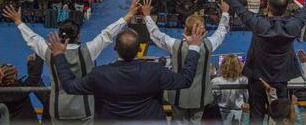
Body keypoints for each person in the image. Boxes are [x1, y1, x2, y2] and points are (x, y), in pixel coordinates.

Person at [204, 0, 306, 123]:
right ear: (286, 8)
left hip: (257, 78)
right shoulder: (294, 25)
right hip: (281, 79)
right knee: (282, 117)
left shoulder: (258, 24)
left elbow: (235, 5)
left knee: (256, 118)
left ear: (267, 8)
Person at [2, 0, 141, 124]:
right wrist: (128, 15)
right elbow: (107, 34)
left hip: (59, 109)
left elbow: (32, 39)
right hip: (84, 109)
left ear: (59, 34)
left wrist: (18, 21)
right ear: (78, 35)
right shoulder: (89, 50)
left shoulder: (48, 51)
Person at [48, 23, 206, 121]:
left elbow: (69, 86)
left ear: (114, 48)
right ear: (139, 50)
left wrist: (60, 56)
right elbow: (185, 80)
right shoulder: (155, 71)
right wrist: (194, 48)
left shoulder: (100, 74)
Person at [142, 0, 230, 124]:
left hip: (178, 95)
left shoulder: (175, 45)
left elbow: (156, 34)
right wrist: (225, 13)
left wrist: (147, 16)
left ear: (185, 30)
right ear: (203, 31)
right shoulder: (208, 45)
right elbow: (221, 32)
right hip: (200, 97)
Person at [211, 54, 248, 124]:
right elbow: (248, 99)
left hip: (220, 113)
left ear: (223, 66)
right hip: (238, 113)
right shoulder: (244, 80)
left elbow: (211, 101)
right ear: (239, 66)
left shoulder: (216, 81)